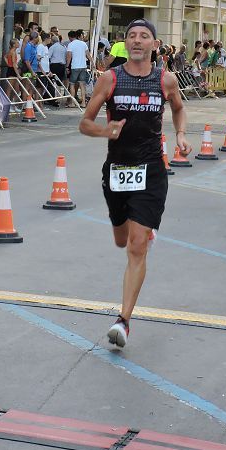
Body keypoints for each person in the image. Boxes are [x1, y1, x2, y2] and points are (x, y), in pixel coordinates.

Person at [79, 19, 191, 349]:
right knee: (121, 239)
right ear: (125, 44)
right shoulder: (110, 79)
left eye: (144, 36)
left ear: (156, 45)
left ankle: (123, 321)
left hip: (152, 170)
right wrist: (104, 131)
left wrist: (181, 134)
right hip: (117, 169)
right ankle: (134, 228)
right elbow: (84, 122)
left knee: (136, 245)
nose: (137, 41)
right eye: (132, 36)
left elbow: (180, 109)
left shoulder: (165, 79)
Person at [66, 30, 91, 107]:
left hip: (75, 67)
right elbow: (88, 55)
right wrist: (92, 63)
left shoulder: (70, 44)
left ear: (70, 37)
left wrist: (67, 66)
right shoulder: (83, 43)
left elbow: (69, 56)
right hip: (83, 66)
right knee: (82, 85)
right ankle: (83, 102)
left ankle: (73, 103)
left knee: (72, 84)